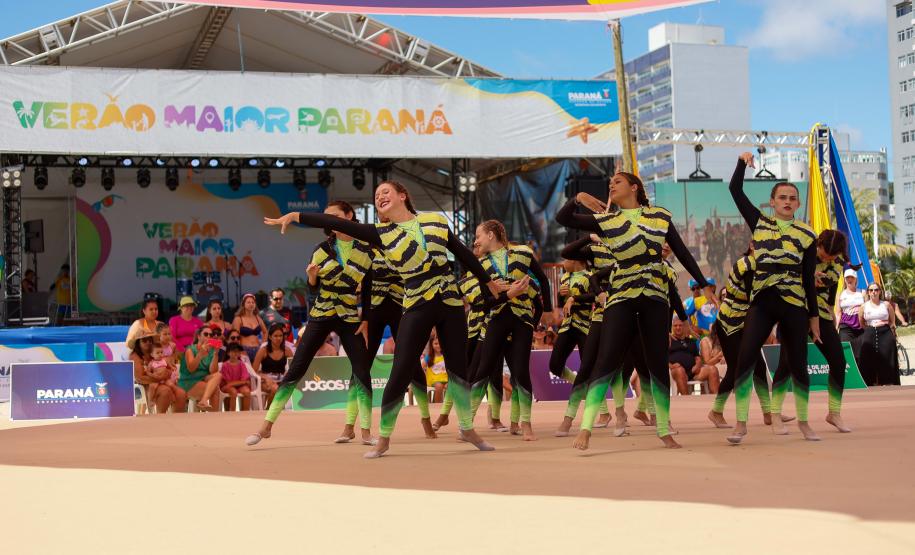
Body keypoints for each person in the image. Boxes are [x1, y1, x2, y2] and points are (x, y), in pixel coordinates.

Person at [262, 180, 503, 458]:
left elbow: (461, 252)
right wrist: (296, 216)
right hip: (416, 302)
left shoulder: (435, 221)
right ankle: (384, 438)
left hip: (449, 301)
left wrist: (487, 281)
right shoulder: (380, 232)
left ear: (403, 195)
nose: (379, 197)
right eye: (376, 196)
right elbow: (335, 222)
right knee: (401, 369)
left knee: (458, 369)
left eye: (385, 192)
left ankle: (467, 428)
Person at [555, 171, 713, 449]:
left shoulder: (659, 216)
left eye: (617, 182)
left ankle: (663, 429)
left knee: (656, 362)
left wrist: (704, 284)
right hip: (621, 296)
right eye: (610, 184)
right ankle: (586, 427)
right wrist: (578, 198)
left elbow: (684, 253)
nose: (611, 186)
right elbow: (563, 219)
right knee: (606, 360)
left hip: (653, 295)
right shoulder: (607, 220)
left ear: (634, 187)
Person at [247, 201, 376, 447]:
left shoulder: (367, 250)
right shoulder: (321, 249)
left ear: (349, 216)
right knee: (297, 368)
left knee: (362, 371)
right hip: (322, 313)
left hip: (350, 316)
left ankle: (363, 431)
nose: (328, 221)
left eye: (334, 216)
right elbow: (312, 291)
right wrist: (312, 278)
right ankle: (266, 426)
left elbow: (369, 290)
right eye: (325, 218)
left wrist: (367, 319)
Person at [724, 152, 820, 444]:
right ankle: (741, 424)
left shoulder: (807, 235)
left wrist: (814, 318)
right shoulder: (759, 222)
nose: (788, 201)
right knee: (746, 358)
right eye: (782, 197)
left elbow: (808, 279)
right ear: (773, 201)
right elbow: (735, 190)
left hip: (794, 303)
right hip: (763, 300)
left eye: (793, 197)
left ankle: (804, 422)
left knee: (798, 363)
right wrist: (740, 161)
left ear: (798, 203)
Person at [472, 220, 553, 441]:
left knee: (520, 371)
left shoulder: (523, 253)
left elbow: (544, 281)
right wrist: (509, 294)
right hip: (496, 319)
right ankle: (465, 423)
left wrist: (546, 311)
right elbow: (485, 303)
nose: (476, 241)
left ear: (491, 235)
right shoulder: (482, 265)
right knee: (484, 369)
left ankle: (525, 424)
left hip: (522, 319)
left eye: (478, 236)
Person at [771, 230, 857, 433]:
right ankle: (775, 415)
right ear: (818, 245)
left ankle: (834, 413)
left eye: (832, 256)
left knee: (838, 361)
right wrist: (807, 275)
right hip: (795, 310)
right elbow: (783, 276)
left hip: (820, 314)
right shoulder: (801, 252)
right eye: (825, 254)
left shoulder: (838, 261)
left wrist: (829, 306)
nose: (827, 258)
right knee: (786, 363)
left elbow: (832, 283)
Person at [131, 331, 186, 414]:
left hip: (162, 381)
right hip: (146, 384)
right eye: (144, 340)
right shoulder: (135, 356)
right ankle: (160, 417)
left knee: (181, 393)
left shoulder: (157, 352)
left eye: (150, 340)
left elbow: (169, 368)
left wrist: (167, 372)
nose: (148, 342)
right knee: (165, 391)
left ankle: (176, 419)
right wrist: (159, 378)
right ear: (138, 343)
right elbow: (140, 378)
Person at [858, 283, 901, 386]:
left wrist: (888, 328)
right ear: (868, 292)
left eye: (876, 290)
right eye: (871, 290)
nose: (874, 292)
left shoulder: (886, 304)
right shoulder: (863, 306)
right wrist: (870, 329)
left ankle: (889, 381)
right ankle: (870, 382)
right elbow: (861, 322)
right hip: (870, 331)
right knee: (867, 355)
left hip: (885, 331)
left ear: (880, 291)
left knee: (887, 355)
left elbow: (892, 321)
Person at [178, 326, 223, 411]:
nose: (209, 337)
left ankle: (204, 401)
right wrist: (200, 355)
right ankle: (215, 416)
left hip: (203, 378)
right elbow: (191, 369)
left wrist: (216, 354)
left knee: (218, 375)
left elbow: (212, 371)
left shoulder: (212, 350)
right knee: (215, 390)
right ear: (199, 336)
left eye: (211, 335)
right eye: (206, 334)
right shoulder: (190, 349)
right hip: (189, 380)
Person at [252, 323, 288, 408]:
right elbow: (253, 371)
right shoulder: (263, 351)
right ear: (270, 337)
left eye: (280, 336)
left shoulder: (287, 351)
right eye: (275, 336)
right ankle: (268, 409)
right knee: (276, 389)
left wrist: (287, 374)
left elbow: (294, 367)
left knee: (280, 388)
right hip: (265, 381)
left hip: (281, 379)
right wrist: (265, 377)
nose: (278, 338)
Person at [837, 268, 866, 362]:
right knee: (847, 355)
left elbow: (867, 310)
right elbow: (838, 313)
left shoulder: (862, 292)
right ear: (845, 280)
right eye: (847, 278)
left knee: (861, 355)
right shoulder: (840, 295)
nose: (849, 279)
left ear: (856, 279)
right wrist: (835, 329)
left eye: (852, 277)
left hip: (861, 328)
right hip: (845, 328)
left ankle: (862, 376)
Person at [668, 318, 702, 395]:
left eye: (680, 325)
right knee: (680, 371)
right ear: (672, 327)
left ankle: (716, 404)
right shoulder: (669, 340)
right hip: (677, 371)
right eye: (675, 326)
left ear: (685, 327)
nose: (678, 327)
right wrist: (671, 366)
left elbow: (697, 356)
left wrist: (698, 364)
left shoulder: (690, 341)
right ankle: (687, 402)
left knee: (712, 370)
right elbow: (661, 358)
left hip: (694, 371)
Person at [232, 293, 267, 362]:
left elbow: (265, 332)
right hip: (245, 349)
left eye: (253, 302)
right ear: (243, 305)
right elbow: (235, 337)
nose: (251, 304)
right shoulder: (238, 318)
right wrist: (240, 350)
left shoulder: (257, 318)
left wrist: (263, 345)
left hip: (258, 348)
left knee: (257, 371)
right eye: (248, 302)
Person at [220, 343, 253, 411]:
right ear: (228, 353)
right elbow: (228, 383)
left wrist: (243, 382)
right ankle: (232, 413)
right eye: (234, 351)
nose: (236, 353)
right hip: (227, 386)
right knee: (233, 391)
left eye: (238, 351)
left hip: (239, 385)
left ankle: (245, 413)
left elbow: (244, 379)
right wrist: (243, 382)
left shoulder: (242, 364)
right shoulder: (225, 365)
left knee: (246, 391)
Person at [423, 330, 448, 403]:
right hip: (434, 379)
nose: (438, 345)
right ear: (432, 345)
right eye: (436, 344)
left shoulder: (445, 356)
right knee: (439, 386)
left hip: (445, 378)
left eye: (440, 343)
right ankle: (437, 405)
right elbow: (422, 366)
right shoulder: (429, 357)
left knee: (449, 386)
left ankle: (446, 406)